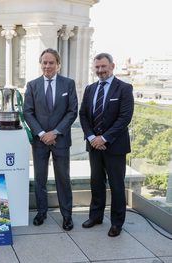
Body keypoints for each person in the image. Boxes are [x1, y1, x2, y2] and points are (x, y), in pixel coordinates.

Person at [79, 53, 134, 237]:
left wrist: (104, 138)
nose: (100, 70)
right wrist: (92, 137)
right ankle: (96, 216)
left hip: (115, 146)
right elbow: (84, 115)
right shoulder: (90, 89)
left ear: (112, 66)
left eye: (103, 66)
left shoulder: (124, 88)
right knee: (96, 182)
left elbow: (124, 117)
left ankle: (117, 223)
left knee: (116, 185)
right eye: (97, 67)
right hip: (94, 145)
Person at [24, 48, 78, 230]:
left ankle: (67, 216)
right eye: (44, 63)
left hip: (60, 140)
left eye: (51, 62)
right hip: (39, 141)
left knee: (63, 178)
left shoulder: (68, 84)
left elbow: (72, 112)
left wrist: (54, 132)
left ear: (58, 65)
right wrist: (41, 134)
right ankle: (41, 213)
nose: (47, 66)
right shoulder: (32, 85)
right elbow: (28, 112)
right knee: (40, 179)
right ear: (41, 64)